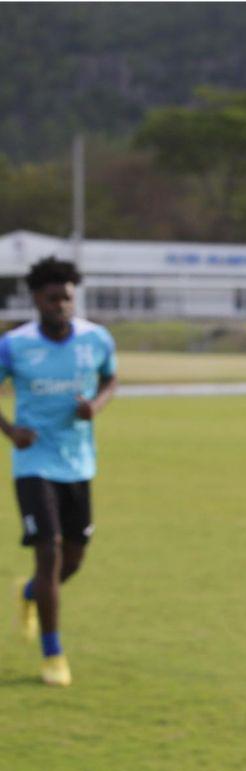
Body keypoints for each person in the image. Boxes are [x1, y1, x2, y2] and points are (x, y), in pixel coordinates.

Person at [1, 257, 117, 687]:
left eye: (67, 297)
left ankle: (29, 594)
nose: (61, 305)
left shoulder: (96, 338)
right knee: (47, 551)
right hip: (33, 463)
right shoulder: (14, 344)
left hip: (78, 462)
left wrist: (97, 405)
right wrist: (11, 431)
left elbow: (111, 379)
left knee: (72, 560)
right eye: (53, 298)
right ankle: (53, 655)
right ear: (36, 299)